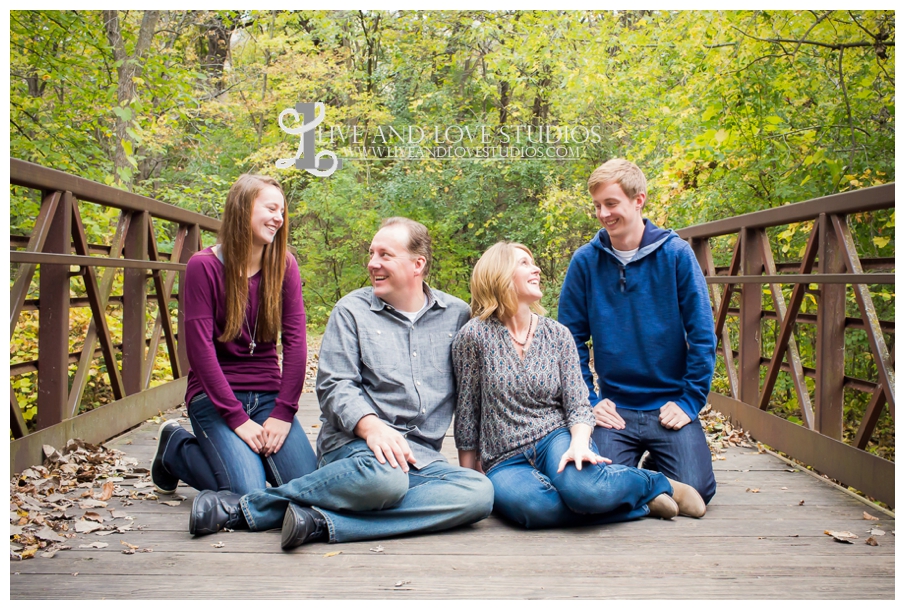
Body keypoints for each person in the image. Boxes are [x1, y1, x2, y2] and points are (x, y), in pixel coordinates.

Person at [188, 217, 494, 548]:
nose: (372, 263)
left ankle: (320, 521)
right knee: (386, 480)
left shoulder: (457, 316)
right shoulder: (351, 311)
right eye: (371, 253)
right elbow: (335, 386)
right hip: (355, 451)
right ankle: (253, 507)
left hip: (421, 458)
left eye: (385, 255)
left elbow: (472, 394)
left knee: (479, 493)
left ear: (417, 264)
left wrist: (474, 458)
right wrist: (372, 427)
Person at [453, 241, 705, 529]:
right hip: (504, 457)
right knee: (534, 508)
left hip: (555, 438)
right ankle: (641, 505)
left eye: (533, 262)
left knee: (584, 490)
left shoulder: (558, 335)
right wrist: (471, 475)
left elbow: (578, 404)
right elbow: (467, 413)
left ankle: (658, 482)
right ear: (497, 274)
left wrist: (579, 443)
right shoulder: (473, 336)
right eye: (524, 263)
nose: (536, 269)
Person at [558, 158, 718, 505]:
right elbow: (568, 341)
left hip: (668, 406)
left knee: (699, 489)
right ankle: (652, 483)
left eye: (611, 204)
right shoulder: (586, 261)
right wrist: (590, 400)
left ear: (638, 200)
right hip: (616, 409)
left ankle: (643, 477)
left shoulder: (676, 254)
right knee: (587, 483)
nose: (603, 214)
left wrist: (690, 401)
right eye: (597, 205)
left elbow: (703, 334)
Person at [150, 174, 317, 496]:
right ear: (243, 208)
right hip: (215, 397)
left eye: (282, 212)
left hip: (268, 394)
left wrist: (284, 412)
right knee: (247, 492)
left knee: (304, 489)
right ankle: (176, 448)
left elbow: (296, 343)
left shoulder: (285, 265)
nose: (278, 219)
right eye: (270, 208)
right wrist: (237, 419)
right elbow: (200, 352)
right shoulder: (204, 266)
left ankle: (243, 457)